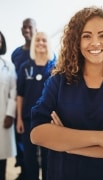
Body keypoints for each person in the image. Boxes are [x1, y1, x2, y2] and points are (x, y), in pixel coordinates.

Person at [30, 7, 103, 180]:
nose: (95, 42)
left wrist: (67, 144)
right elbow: (37, 134)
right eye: (86, 36)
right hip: (66, 174)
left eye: (102, 35)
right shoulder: (59, 82)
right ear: (76, 40)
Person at [16, 31, 56, 180]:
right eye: (38, 40)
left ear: (48, 44)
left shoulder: (55, 68)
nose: (40, 43)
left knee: (48, 159)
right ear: (33, 44)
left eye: (44, 40)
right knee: (29, 159)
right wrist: (19, 118)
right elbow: (20, 95)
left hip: (49, 121)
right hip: (28, 120)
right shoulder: (25, 67)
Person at [11, 17, 37, 180]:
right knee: (20, 139)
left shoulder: (42, 51)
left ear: (36, 29)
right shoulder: (16, 54)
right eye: (24, 27)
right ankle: (24, 170)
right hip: (20, 103)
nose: (27, 30)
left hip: (38, 107)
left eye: (30, 27)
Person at [0, 31, 17, 180]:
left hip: (2, 116)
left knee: (1, 156)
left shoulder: (8, 66)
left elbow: (13, 91)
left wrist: (10, 114)